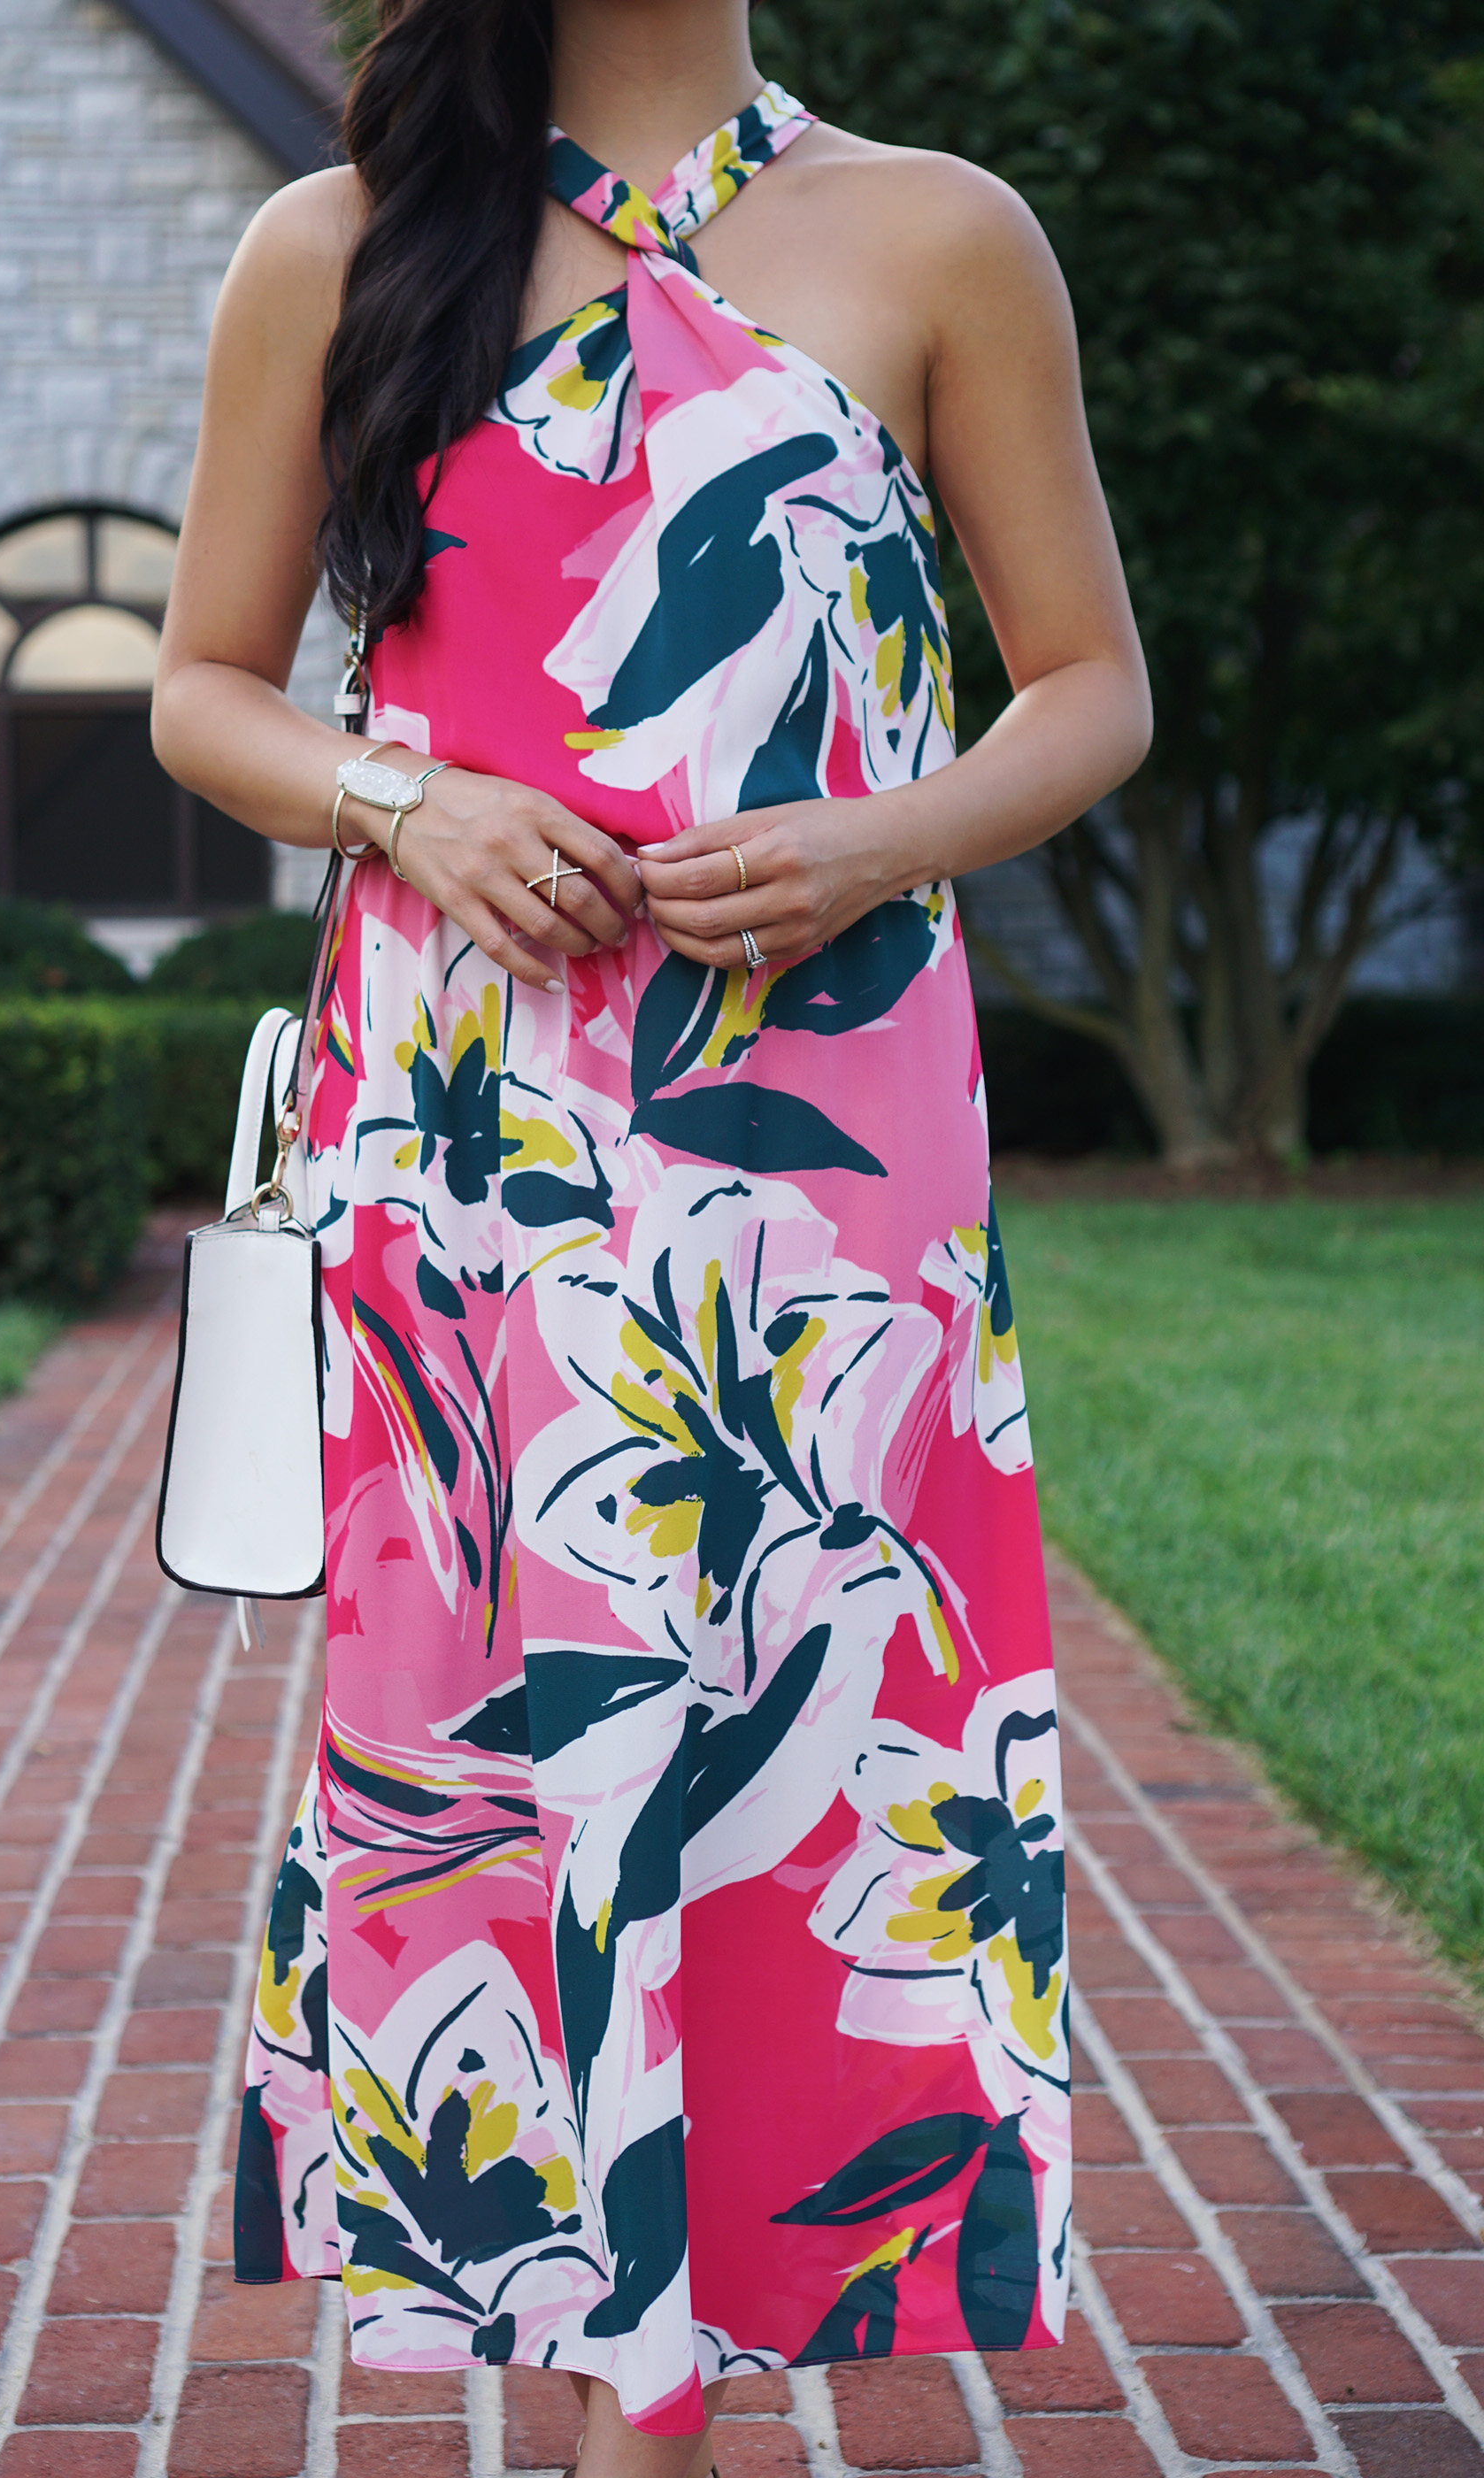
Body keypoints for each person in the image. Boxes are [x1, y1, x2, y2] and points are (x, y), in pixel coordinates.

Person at [151, 0, 1150, 2466]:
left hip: (827, 1129)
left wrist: (869, 838)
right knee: (510, 1727)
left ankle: (677, 2388)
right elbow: (198, 686)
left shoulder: (937, 231)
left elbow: (1089, 685)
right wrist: (402, 800)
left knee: (802, 1712)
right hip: (473, 1124)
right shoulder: (341, 243)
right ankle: (620, 2357)